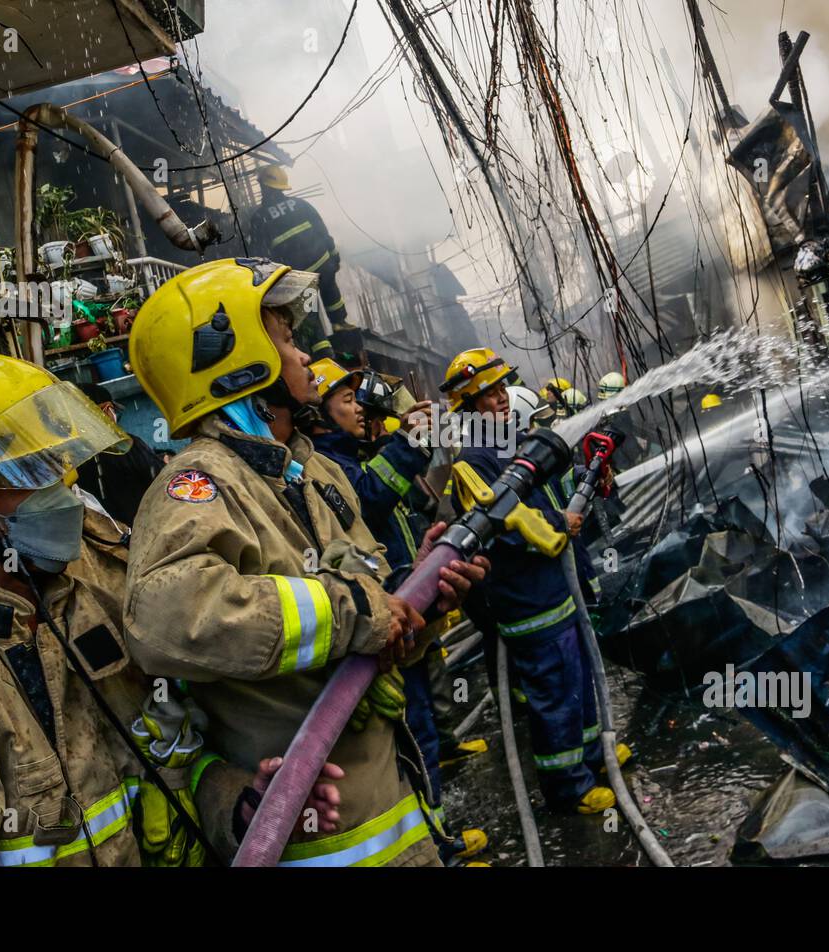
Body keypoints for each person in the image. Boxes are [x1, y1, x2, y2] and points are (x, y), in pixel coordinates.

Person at [0, 351, 341, 867]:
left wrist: (241, 805)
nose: (66, 493)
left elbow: (162, 767)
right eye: (33, 473)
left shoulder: (89, 599)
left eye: (61, 468)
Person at [123, 257, 488, 867]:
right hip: (313, 847)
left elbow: (370, 617)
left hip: (397, 819)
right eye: (287, 342)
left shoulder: (312, 472)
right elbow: (164, 618)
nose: (302, 358)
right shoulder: (200, 485)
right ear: (238, 363)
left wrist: (419, 600)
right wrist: (356, 610)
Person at [302, 359, 488, 864]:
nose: (361, 407)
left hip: (406, 603)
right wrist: (405, 444)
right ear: (317, 415)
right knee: (413, 736)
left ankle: (438, 834)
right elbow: (370, 500)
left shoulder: (360, 452)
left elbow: (402, 502)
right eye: (347, 400)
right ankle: (438, 847)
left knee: (422, 724)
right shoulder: (327, 462)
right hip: (380, 622)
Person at [444, 347, 622, 814]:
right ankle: (568, 788)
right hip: (527, 600)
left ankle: (589, 758)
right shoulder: (475, 460)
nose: (501, 399)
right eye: (488, 394)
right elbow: (499, 532)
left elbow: (548, 494)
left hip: (555, 587)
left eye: (503, 389)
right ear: (467, 404)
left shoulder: (513, 445)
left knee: (579, 678)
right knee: (555, 694)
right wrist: (559, 524)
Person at [250, 165, 361, 363]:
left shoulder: (260, 218)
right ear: (282, 188)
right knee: (332, 296)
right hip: (323, 268)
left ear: (264, 188)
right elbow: (323, 231)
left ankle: (323, 354)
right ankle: (340, 324)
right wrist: (334, 257)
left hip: (300, 280)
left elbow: (260, 255)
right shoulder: (301, 204)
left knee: (310, 316)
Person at [72, 381, 164, 526]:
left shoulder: (69, 458)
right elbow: (162, 480)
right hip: (146, 529)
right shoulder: (128, 444)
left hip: (110, 539)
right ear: (106, 410)